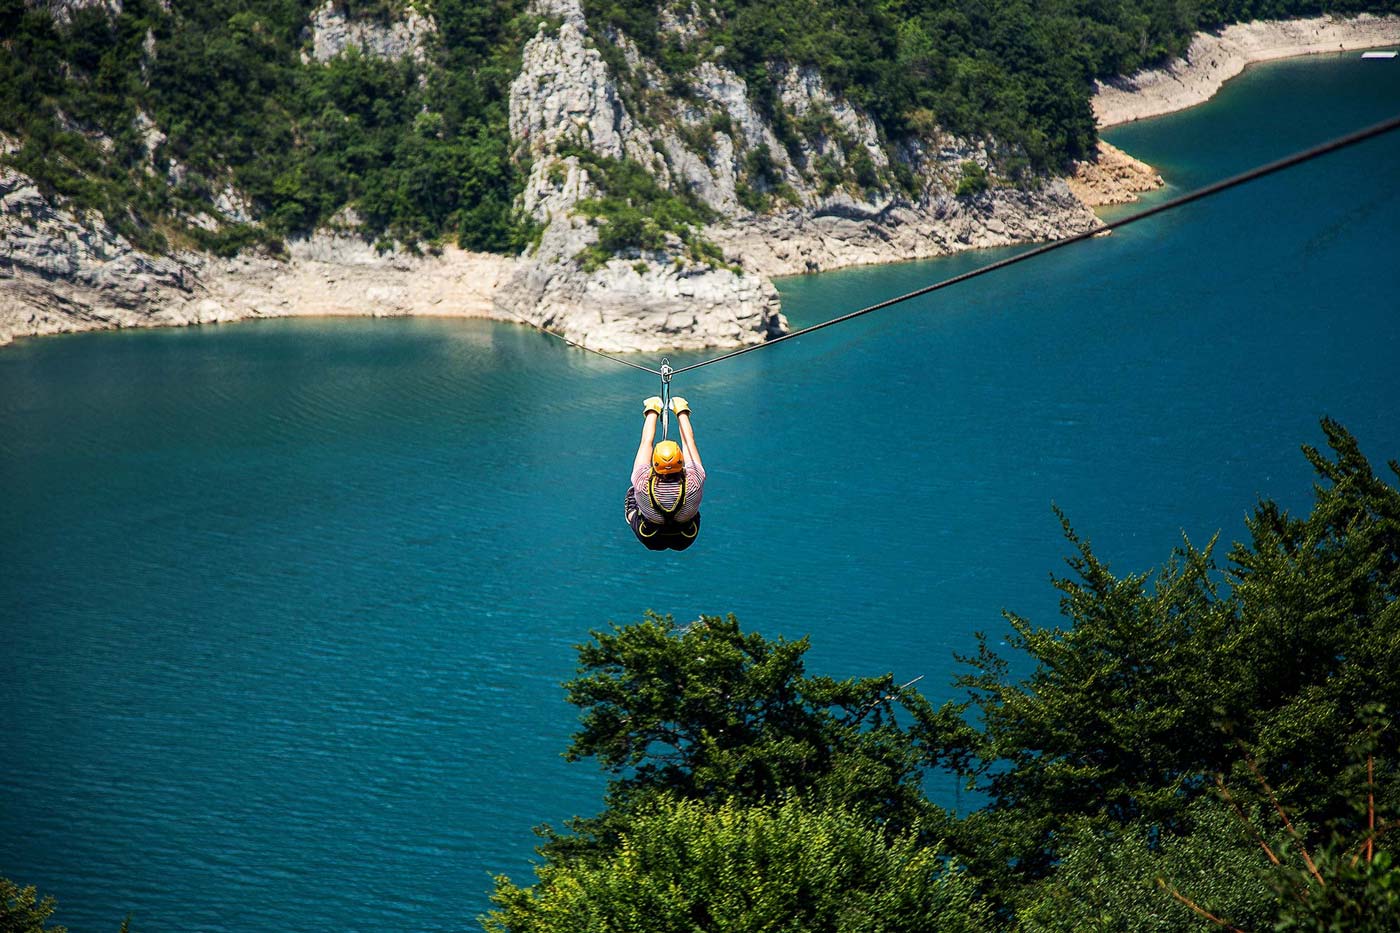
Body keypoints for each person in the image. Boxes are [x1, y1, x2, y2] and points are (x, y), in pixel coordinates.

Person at [624, 394, 705, 550]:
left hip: (650, 536)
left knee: (632, 492)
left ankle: (631, 515)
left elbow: (646, 443)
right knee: (692, 506)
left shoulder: (642, 482)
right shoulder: (694, 480)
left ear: (655, 463)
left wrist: (652, 410)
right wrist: (681, 410)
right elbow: (689, 442)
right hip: (685, 538)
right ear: (680, 460)